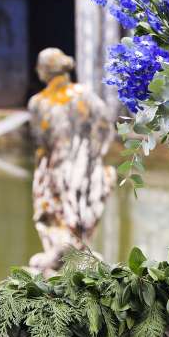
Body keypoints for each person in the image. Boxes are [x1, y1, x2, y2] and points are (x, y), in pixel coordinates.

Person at [27, 48, 116, 274]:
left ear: (44, 71)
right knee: (78, 213)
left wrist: (43, 168)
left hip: (56, 167)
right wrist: (93, 153)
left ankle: (61, 251)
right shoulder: (84, 94)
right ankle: (73, 250)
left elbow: (41, 142)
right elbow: (106, 126)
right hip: (83, 167)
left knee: (52, 211)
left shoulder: (38, 102)